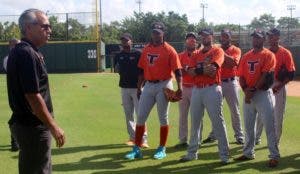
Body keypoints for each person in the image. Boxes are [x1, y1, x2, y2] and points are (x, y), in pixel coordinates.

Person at [6, 9, 65, 174]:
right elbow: (32, 96)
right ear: (28, 27)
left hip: (29, 124)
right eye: (45, 26)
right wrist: (53, 126)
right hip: (32, 126)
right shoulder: (26, 53)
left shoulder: (26, 51)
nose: (49, 30)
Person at [125, 21, 182, 160]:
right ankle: (137, 148)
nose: (155, 35)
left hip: (164, 84)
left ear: (163, 33)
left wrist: (180, 88)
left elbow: (177, 71)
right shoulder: (147, 49)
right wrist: (139, 87)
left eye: (158, 32)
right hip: (149, 85)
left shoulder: (169, 49)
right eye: (154, 32)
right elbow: (141, 70)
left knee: (163, 117)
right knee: (141, 116)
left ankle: (162, 148)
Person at [179, 28, 230, 165]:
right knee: (195, 123)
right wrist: (201, 70)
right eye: (202, 36)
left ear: (212, 37)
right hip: (197, 90)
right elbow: (190, 72)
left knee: (218, 122)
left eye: (207, 36)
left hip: (212, 89)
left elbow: (213, 71)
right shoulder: (195, 53)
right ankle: (192, 153)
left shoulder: (217, 51)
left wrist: (198, 71)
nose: (204, 38)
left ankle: (224, 155)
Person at [234, 29, 280, 168]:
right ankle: (248, 153)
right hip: (248, 93)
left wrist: (251, 91)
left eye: (258, 38)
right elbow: (240, 75)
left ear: (263, 40)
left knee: (269, 126)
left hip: (262, 94)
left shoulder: (269, 55)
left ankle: (274, 155)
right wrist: (245, 90)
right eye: (254, 38)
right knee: (248, 126)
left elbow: (265, 75)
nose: (255, 40)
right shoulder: (246, 56)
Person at [202, 29, 244, 145]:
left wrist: (220, 53)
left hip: (231, 82)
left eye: (226, 36)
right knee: (215, 110)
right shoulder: (215, 49)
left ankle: (239, 135)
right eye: (222, 36)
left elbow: (232, 64)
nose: (224, 38)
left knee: (234, 110)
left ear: (230, 37)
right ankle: (214, 134)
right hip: (218, 83)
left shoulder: (236, 49)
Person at [255, 28, 296, 145]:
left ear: (278, 37)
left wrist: (280, 85)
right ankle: (256, 138)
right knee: (261, 114)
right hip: (265, 86)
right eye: (268, 36)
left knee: (278, 116)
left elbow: (291, 74)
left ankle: (275, 142)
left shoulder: (285, 53)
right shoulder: (265, 53)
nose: (269, 38)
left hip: (279, 85)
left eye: (271, 36)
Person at [114, 33, 148, 148]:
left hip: (137, 88)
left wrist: (142, 86)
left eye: (126, 40)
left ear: (131, 41)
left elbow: (143, 70)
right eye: (123, 41)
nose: (124, 43)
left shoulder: (138, 53)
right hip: (124, 87)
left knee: (141, 114)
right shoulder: (119, 55)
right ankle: (132, 138)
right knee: (128, 114)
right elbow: (117, 69)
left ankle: (143, 139)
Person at [174, 32, 198, 148]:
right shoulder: (180, 56)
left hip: (196, 88)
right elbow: (179, 72)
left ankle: (196, 140)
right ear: (185, 42)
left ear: (196, 42)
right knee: (183, 115)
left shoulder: (199, 54)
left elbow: (195, 73)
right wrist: (188, 70)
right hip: (184, 87)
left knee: (196, 115)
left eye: (193, 40)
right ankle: (183, 140)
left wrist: (187, 69)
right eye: (189, 39)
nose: (191, 41)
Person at [3, 38, 21, 152]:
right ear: (11, 46)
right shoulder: (8, 59)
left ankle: (16, 142)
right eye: (17, 45)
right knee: (15, 118)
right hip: (17, 93)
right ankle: (15, 142)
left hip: (23, 92)